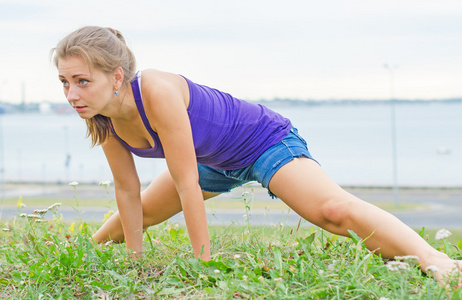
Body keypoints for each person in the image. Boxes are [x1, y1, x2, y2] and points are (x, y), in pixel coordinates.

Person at [52, 26, 461, 282]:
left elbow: (185, 181)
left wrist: (202, 265)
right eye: (65, 82)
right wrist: (135, 262)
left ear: (116, 76)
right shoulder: (101, 115)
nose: (72, 94)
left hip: (261, 142)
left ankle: (433, 258)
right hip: (213, 161)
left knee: (333, 212)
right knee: (111, 233)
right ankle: (93, 254)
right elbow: (127, 191)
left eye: (82, 81)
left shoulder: (156, 90)